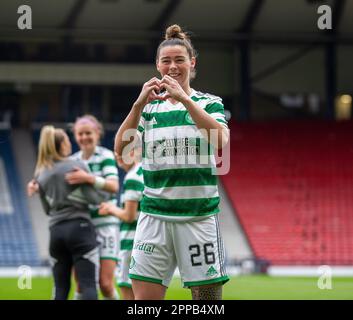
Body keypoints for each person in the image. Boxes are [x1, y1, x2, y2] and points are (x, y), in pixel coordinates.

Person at [115, 24, 230, 300]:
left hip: (198, 217)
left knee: (207, 302)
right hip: (154, 217)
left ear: (192, 63)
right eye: (166, 61)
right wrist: (137, 105)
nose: (173, 66)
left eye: (180, 60)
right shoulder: (149, 109)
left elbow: (221, 142)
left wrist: (185, 100)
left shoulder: (209, 102)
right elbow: (122, 150)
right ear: (157, 65)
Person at [28, 125, 108, 300]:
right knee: (87, 285)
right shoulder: (76, 165)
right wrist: (103, 187)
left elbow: (48, 210)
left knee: (60, 289)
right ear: (62, 144)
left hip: (56, 233)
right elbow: (96, 198)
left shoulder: (41, 174)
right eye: (67, 139)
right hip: (80, 229)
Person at [67, 114, 120, 300]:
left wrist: (88, 178)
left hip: (105, 226)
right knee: (82, 283)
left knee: (105, 284)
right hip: (82, 228)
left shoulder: (105, 155)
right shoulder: (71, 161)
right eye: (80, 134)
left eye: (88, 133)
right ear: (75, 136)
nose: (84, 137)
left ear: (97, 133)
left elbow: (114, 186)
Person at [99, 141, 143, 300]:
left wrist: (111, 208)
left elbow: (129, 216)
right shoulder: (147, 173)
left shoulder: (132, 177)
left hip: (131, 242)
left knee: (127, 290)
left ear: (132, 153)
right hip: (147, 241)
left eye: (119, 153)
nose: (116, 157)